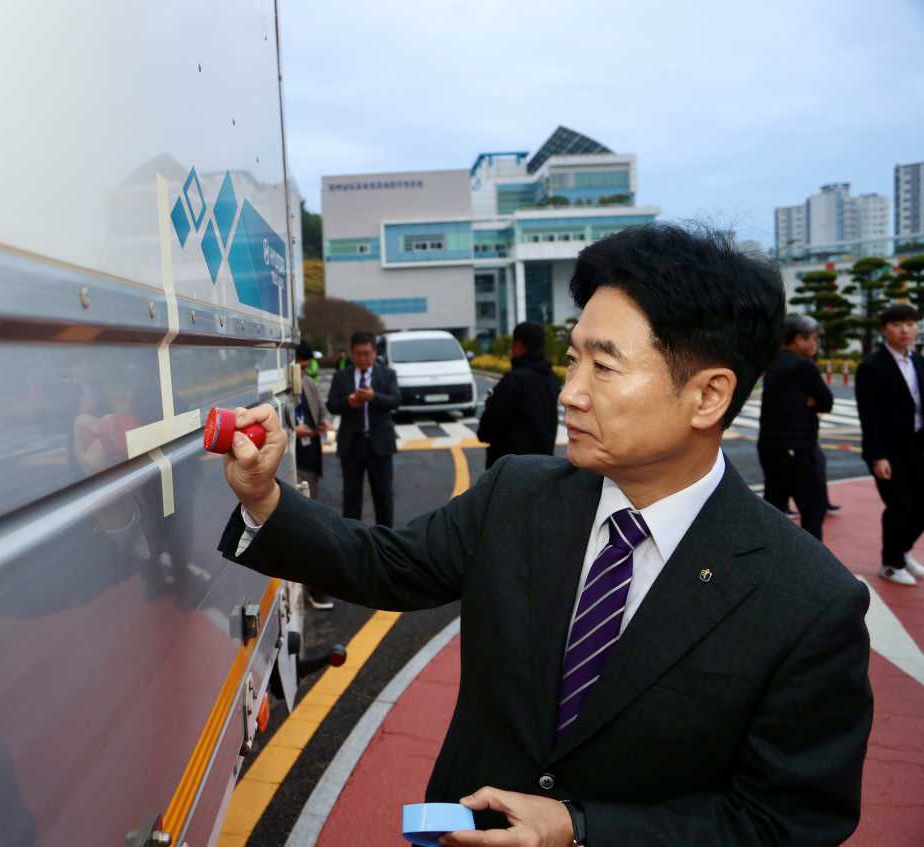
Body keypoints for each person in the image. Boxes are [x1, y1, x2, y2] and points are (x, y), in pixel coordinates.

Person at [219, 225, 871, 847]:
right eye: (573, 359)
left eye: (605, 367)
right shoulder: (516, 495)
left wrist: (579, 829)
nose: (572, 393)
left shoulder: (808, 601)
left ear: (708, 396)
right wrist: (265, 497)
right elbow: (385, 564)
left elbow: (781, 822)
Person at [855, 303, 924, 586]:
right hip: (890, 450)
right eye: (897, 324)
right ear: (885, 330)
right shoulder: (872, 366)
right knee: (899, 505)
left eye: (910, 323)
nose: (905, 329)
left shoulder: (919, 361)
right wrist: (878, 455)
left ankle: (903, 550)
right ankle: (890, 563)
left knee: (921, 505)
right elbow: (869, 416)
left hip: (919, 445)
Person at [757, 313, 833, 539]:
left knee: (775, 505)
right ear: (798, 339)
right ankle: (811, 567)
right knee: (813, 509)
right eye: (812, 339)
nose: (815, 344)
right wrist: (810, 401)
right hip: (799, 449)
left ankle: (774, 563)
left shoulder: (772, 362)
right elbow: (826, 401)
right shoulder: (803, 366)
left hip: (770, 446)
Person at [325, 331, 400, 528]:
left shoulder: (387, 374)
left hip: (380, 445)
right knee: (351, 497)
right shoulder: (342, 376)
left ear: (375, 352)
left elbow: (396, 400)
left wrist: (373, 397)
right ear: (352, 353)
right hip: (351, 445)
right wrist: (349, 402)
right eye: (358, 354)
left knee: (383, 496)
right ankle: (352, 541)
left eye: (367, 353)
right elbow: (331, 405)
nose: (363, 358)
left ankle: (385, 541)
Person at [478, 321, 560, 470]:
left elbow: (487, 430)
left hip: (509, 470)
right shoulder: (552, 379)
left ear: (519, 345)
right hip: (545, 467)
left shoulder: (513, 381)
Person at [294, 341, 334, 609]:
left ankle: (311, 586)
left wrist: (325, 421)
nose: (305, 370)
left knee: (310, 519)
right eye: (302, 365)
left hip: (311, 459)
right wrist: (292, 432)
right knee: (305, 526)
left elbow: (321, 408)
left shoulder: (306, 382)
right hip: (292, 462)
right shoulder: (271, 386)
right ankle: (310, 588)